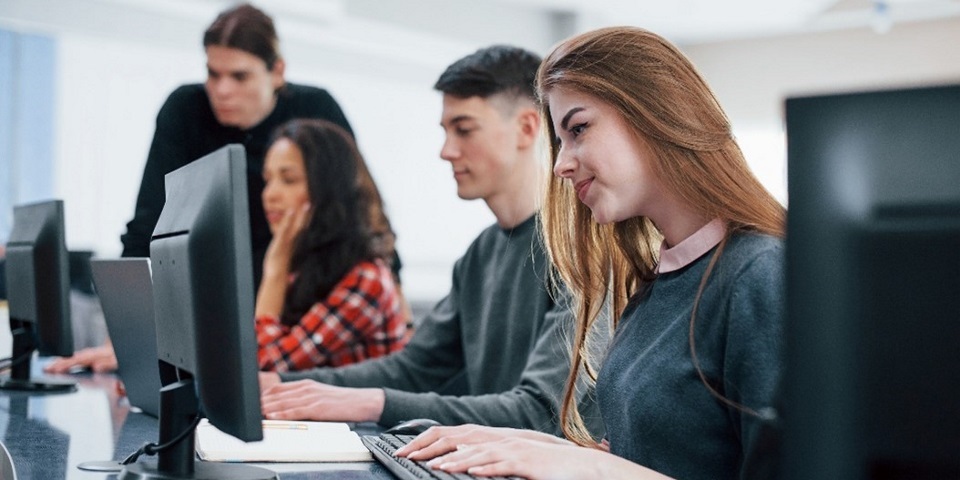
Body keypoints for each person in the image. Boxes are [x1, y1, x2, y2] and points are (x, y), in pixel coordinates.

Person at [394, 26, 787, 480]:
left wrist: (580, 466)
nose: (560, 164)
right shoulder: (658, 281)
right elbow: (644, 459)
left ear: (655, 113)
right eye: (560, 141)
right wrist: (517, 443)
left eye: (578, 129)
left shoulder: (760, 273)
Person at [258, 45, 598, 434]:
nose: (447, 151)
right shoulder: (480, 255)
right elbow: (414, 368)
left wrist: (371, 402)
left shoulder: (581, 248)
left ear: (525, 128)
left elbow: (539, 412)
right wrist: (283, 387)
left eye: (465, 130)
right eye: (446, 132)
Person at [43, 3, 395, 374]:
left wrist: (395, 305)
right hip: (221, 299)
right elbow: (149, 224)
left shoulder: (314, 111)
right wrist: (127, 339)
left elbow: (361, 205)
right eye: (213, 74)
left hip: (297, 291)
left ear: (277, 72)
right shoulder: (186, 109)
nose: (222, 90)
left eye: (240, 77)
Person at [256, 118, 407, 371]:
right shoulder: (307, 267)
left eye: (289, 180)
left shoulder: (365, 279)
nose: (270, 194)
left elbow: (268, 367)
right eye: (268, 180)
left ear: (326, 189)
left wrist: (275, 269)